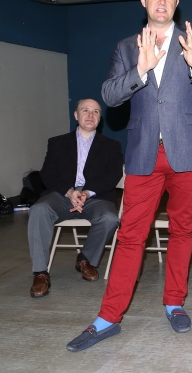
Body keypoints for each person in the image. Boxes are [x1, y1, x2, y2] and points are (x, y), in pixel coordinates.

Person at [66, 0, 192, 351]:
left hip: (188, 153)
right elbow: (110, 95)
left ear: (176, 3)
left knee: (182, 230)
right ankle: (108, 318)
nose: (161, 0)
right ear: (143, 0)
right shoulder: (127, 47)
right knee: (130, 235)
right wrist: (140, 68)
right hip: (143, 155)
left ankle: (174, 302)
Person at [28, 99, 122, 297]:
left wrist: (87, 193)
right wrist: (70, 192)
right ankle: (40, 273)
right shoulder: (57, 142)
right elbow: (48, 173)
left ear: (100, 117)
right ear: (76, 115)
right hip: (62, 194)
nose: (90, 115)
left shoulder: (111, 146)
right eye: (85, 110)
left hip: (95, 196)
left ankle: (85, 259)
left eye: (95, 111)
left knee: (110, 218)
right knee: (38, 210)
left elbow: (113, 176)